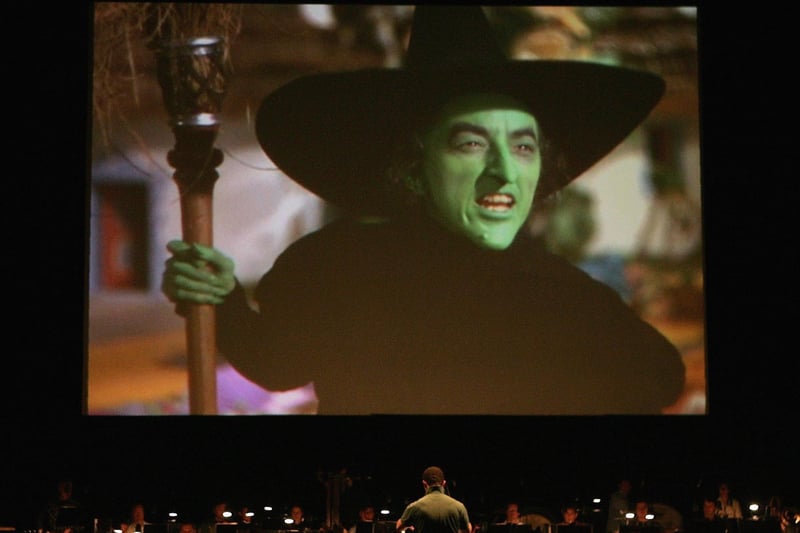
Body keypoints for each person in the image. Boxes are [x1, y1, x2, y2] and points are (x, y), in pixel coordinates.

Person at [161, 5, 686, 415]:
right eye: (470, 144)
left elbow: (659, 378)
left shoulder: (574, 300)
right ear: (413, 164)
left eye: (524, 147)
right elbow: (277, 363)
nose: (505, 172)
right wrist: (220, 299)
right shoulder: (336, 269)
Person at [395, 466, 471, 533]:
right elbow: (468, 530)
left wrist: (410, 526)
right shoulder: (459, 507)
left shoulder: (414, 507)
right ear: (443, 483)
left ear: (424, 484)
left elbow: (398, 527)